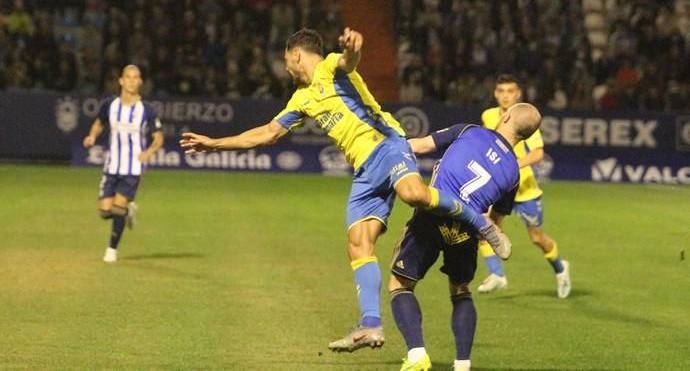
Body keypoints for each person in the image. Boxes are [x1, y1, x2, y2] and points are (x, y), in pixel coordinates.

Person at [180, 27, 507, 351]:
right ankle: (370, 326)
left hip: (387, 146)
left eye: (286, 61)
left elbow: (348, 61)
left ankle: (482, 224)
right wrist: (215, 144)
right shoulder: (302, 98)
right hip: (365, 173)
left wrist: (353, 48)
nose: (286, 68)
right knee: (358, 243)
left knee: (414, 194)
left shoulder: (329, 66)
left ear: (296, 55)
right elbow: (267, 133)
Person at [388, 103, 542, 371]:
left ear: (505, 116)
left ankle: (416, 355)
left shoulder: (468, 131)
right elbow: (494, 223)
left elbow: (418, 146)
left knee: (400, 284)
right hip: (466, 231)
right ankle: (462, 364)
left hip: (431, 215)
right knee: (460, 291)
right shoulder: (514, 174)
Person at [477, 74, 571, 298]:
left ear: (518, 94)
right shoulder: (488, 115)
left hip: (525, 188)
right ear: (495, 93)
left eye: (510, 91)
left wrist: (512, 163)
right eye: (501, 91)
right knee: (485, 228)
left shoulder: (525, 117)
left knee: (537, 238)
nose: (505, 96)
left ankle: (560, 268)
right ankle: (497, 275)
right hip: (500, 186)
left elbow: (538, 153)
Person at [83, 65, 164, 263]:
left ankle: (112, 250)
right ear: (121, 80)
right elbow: (99, 123)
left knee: (118, 207)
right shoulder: (110, 105)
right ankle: (129, 210)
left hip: (133, 167)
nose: (131, 81)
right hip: (112, 165)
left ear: (140, 82)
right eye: (128, 77)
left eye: (135, 77)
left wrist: (149, 152)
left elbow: (158, 138)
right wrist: (92, 136)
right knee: (105, 211)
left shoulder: (147, 109)